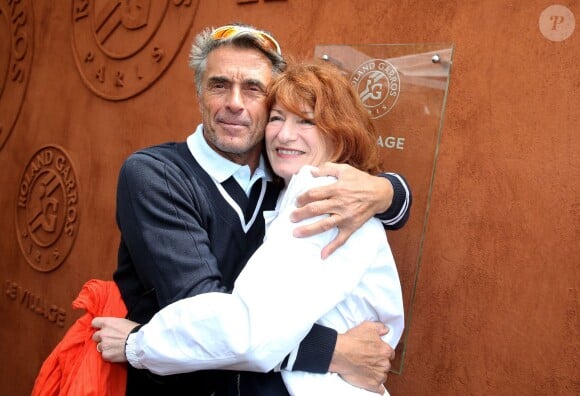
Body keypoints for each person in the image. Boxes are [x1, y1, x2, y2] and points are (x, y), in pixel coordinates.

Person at [93, 23, 411, 395]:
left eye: (253, 88)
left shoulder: (294, 184)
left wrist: (387, 192)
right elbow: (209, 317)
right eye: (219, 85)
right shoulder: (156, 175)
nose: (235, 103)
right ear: (199, 93)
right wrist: (335, 351)